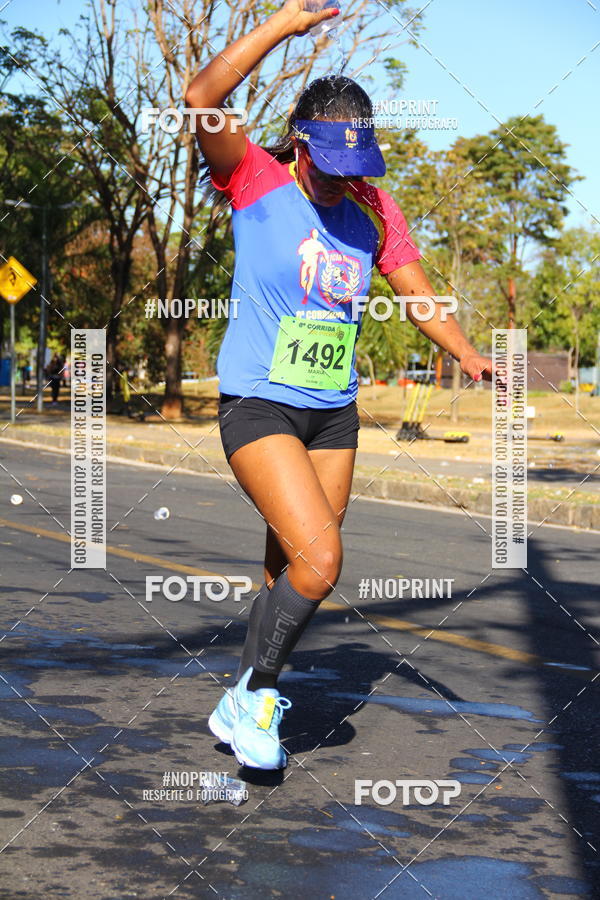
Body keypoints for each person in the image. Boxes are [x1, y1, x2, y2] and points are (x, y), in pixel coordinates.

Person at [185, 0, 494, 770]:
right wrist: (281, 27)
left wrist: (468, 352)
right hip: (258, 401)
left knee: (289, 567)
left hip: (333, 416)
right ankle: (249, 697)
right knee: (322, 562)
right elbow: (199, 99)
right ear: (300, 142)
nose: (344, 180)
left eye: (358, 166)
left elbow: (417, 294)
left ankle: (249, 698)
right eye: (331, 163)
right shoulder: (253, 177)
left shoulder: (372, 207)